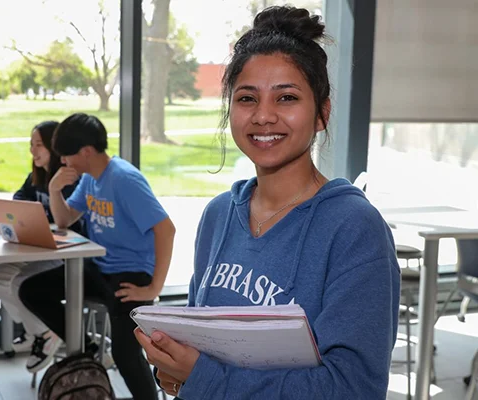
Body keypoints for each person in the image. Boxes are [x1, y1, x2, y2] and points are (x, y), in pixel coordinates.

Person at [134, 6, 400, 399]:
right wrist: (172, 371)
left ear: (322, 114)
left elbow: (353, 389)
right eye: (246, 98)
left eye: (286, 98)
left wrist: (204, 377)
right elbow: (199, 349)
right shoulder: (218, 216)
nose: (263, 116)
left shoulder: (354, 229)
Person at [18, 113, 176, 400]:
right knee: (31, 289)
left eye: (67, 156)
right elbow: (65, 220)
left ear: (86, 152)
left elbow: (166, 230)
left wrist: (153, 288)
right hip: (100, 268)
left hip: (131, 275)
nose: (64, 162)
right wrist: (54, 189)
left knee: (126, 355)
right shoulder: (90, 179)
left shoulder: (124, 179)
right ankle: (86, 348)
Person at [0, 120, 83, 373]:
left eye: (38, 145)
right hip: (40, 247)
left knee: (20, 281)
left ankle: (44, 334)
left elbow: (67, 219)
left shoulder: (69, 178)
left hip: (68, 255)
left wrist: (40, 216)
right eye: (31, 144)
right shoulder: (36, 176)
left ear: (54, 146)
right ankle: (39, 330)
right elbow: (19, 200)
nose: (32, 151)